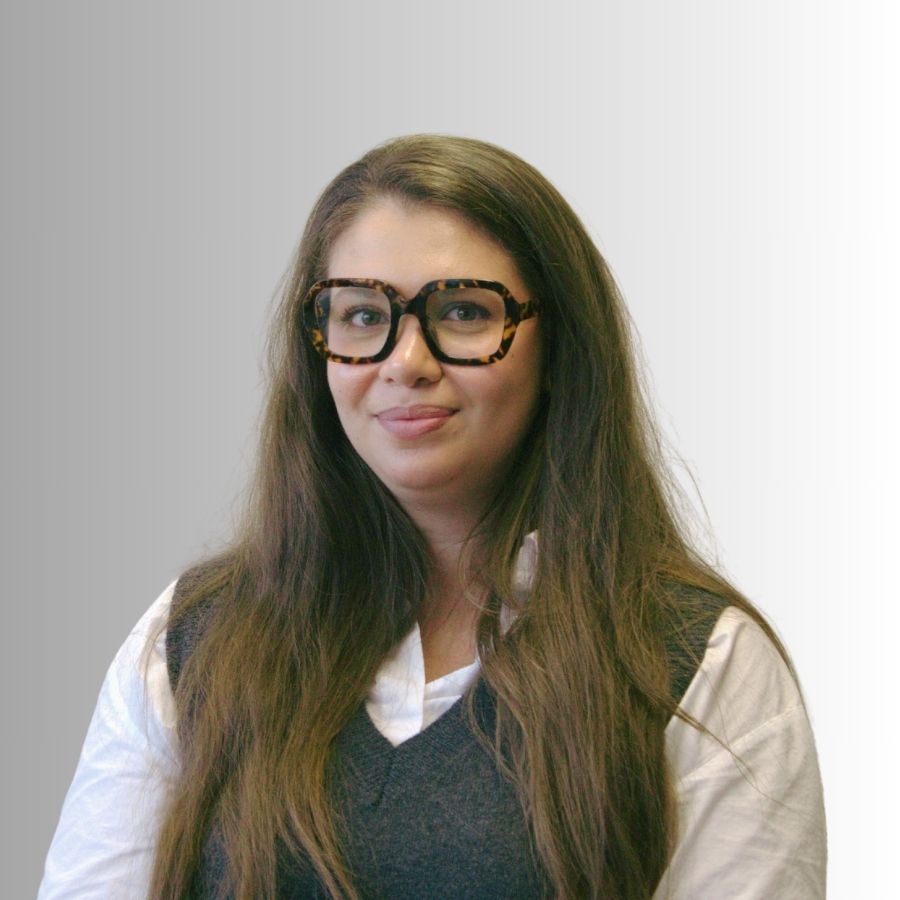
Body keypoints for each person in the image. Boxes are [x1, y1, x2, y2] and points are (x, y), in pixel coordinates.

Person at [39, 135, 826, 899]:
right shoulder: (192, 641)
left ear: (561, 350)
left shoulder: (699, 663)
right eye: (360, 316)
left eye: (463, 312)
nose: (405, 361)